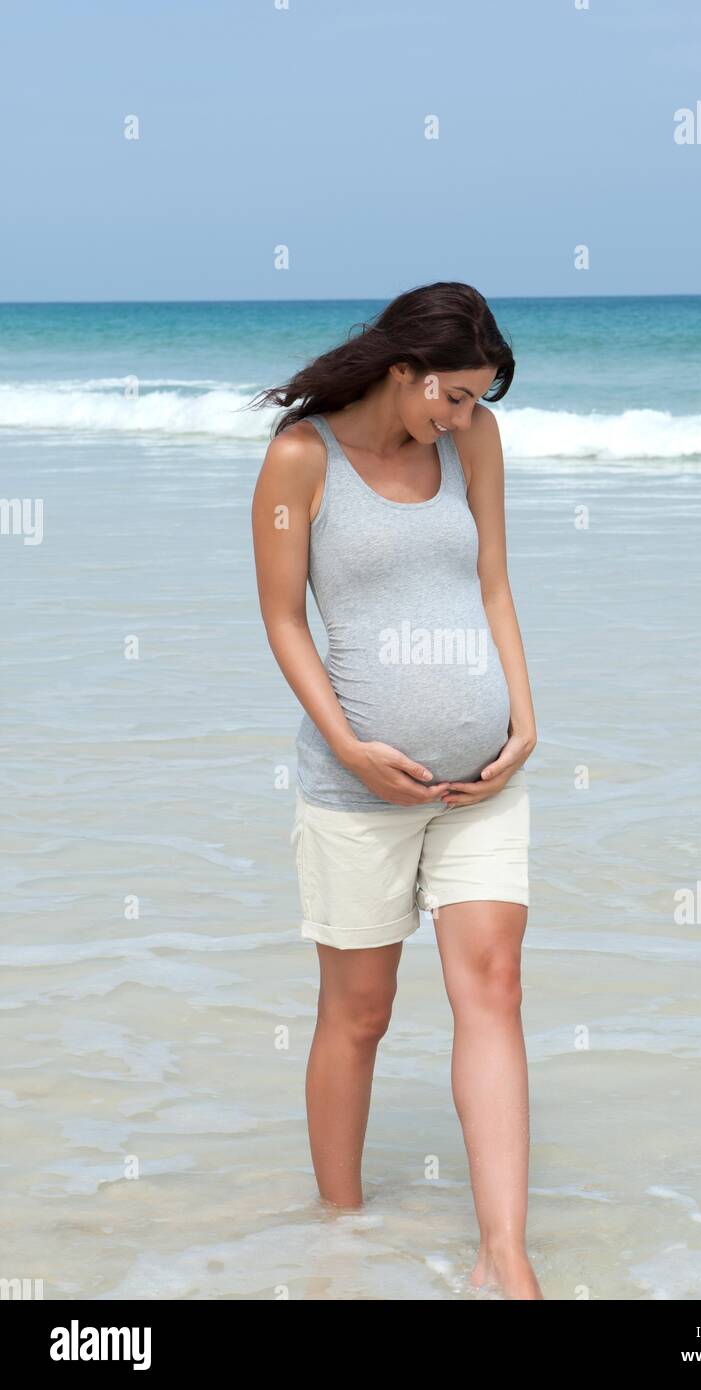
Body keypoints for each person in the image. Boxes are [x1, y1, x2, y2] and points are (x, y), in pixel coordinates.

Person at [250, 282, 541, 1299]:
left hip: (482, 785)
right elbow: (283, 616)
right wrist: (349, 742)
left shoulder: (476, 445)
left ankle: (502, 1254)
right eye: (452, 397)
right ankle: (339, 1234)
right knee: (358, 1015)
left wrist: (525, 717)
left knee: (492, 988)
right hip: (353, 790)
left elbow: (492, 582)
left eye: (475, 400)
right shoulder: (300, 460)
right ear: (401, 370)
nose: (463, 418)